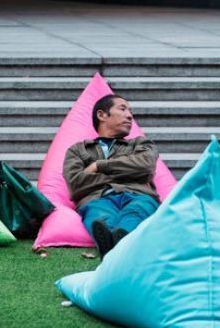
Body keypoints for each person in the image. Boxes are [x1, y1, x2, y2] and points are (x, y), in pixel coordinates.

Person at [63, 93, 160, 257]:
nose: (130, 116)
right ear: (101, 115)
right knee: (99, 217)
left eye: (130, 112)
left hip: (138, 195)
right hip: (97, 198)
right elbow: (76, 183)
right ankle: (117, 245)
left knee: (136, 211)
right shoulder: (78, 149)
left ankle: (116, 245)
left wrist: (99, 166)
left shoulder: (141, 143)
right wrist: (127, 172)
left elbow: (146, 165)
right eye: (123, 109)